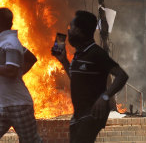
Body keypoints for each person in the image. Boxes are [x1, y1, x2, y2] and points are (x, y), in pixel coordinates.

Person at [51, 10, 129, 143]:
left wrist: (104, 97)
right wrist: (63, 61)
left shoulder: (96, 54)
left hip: (92, 114)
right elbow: (77, 80)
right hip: (79, 115)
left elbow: (122, 76)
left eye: (72, 28)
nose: (69, 32)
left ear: (81, 31)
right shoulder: (78, 55)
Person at [0, 8, 42, 143]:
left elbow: (11, 71)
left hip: (18, 105)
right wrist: (19, 74)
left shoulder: (10, 43)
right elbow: (31, 58)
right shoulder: (6, 42)